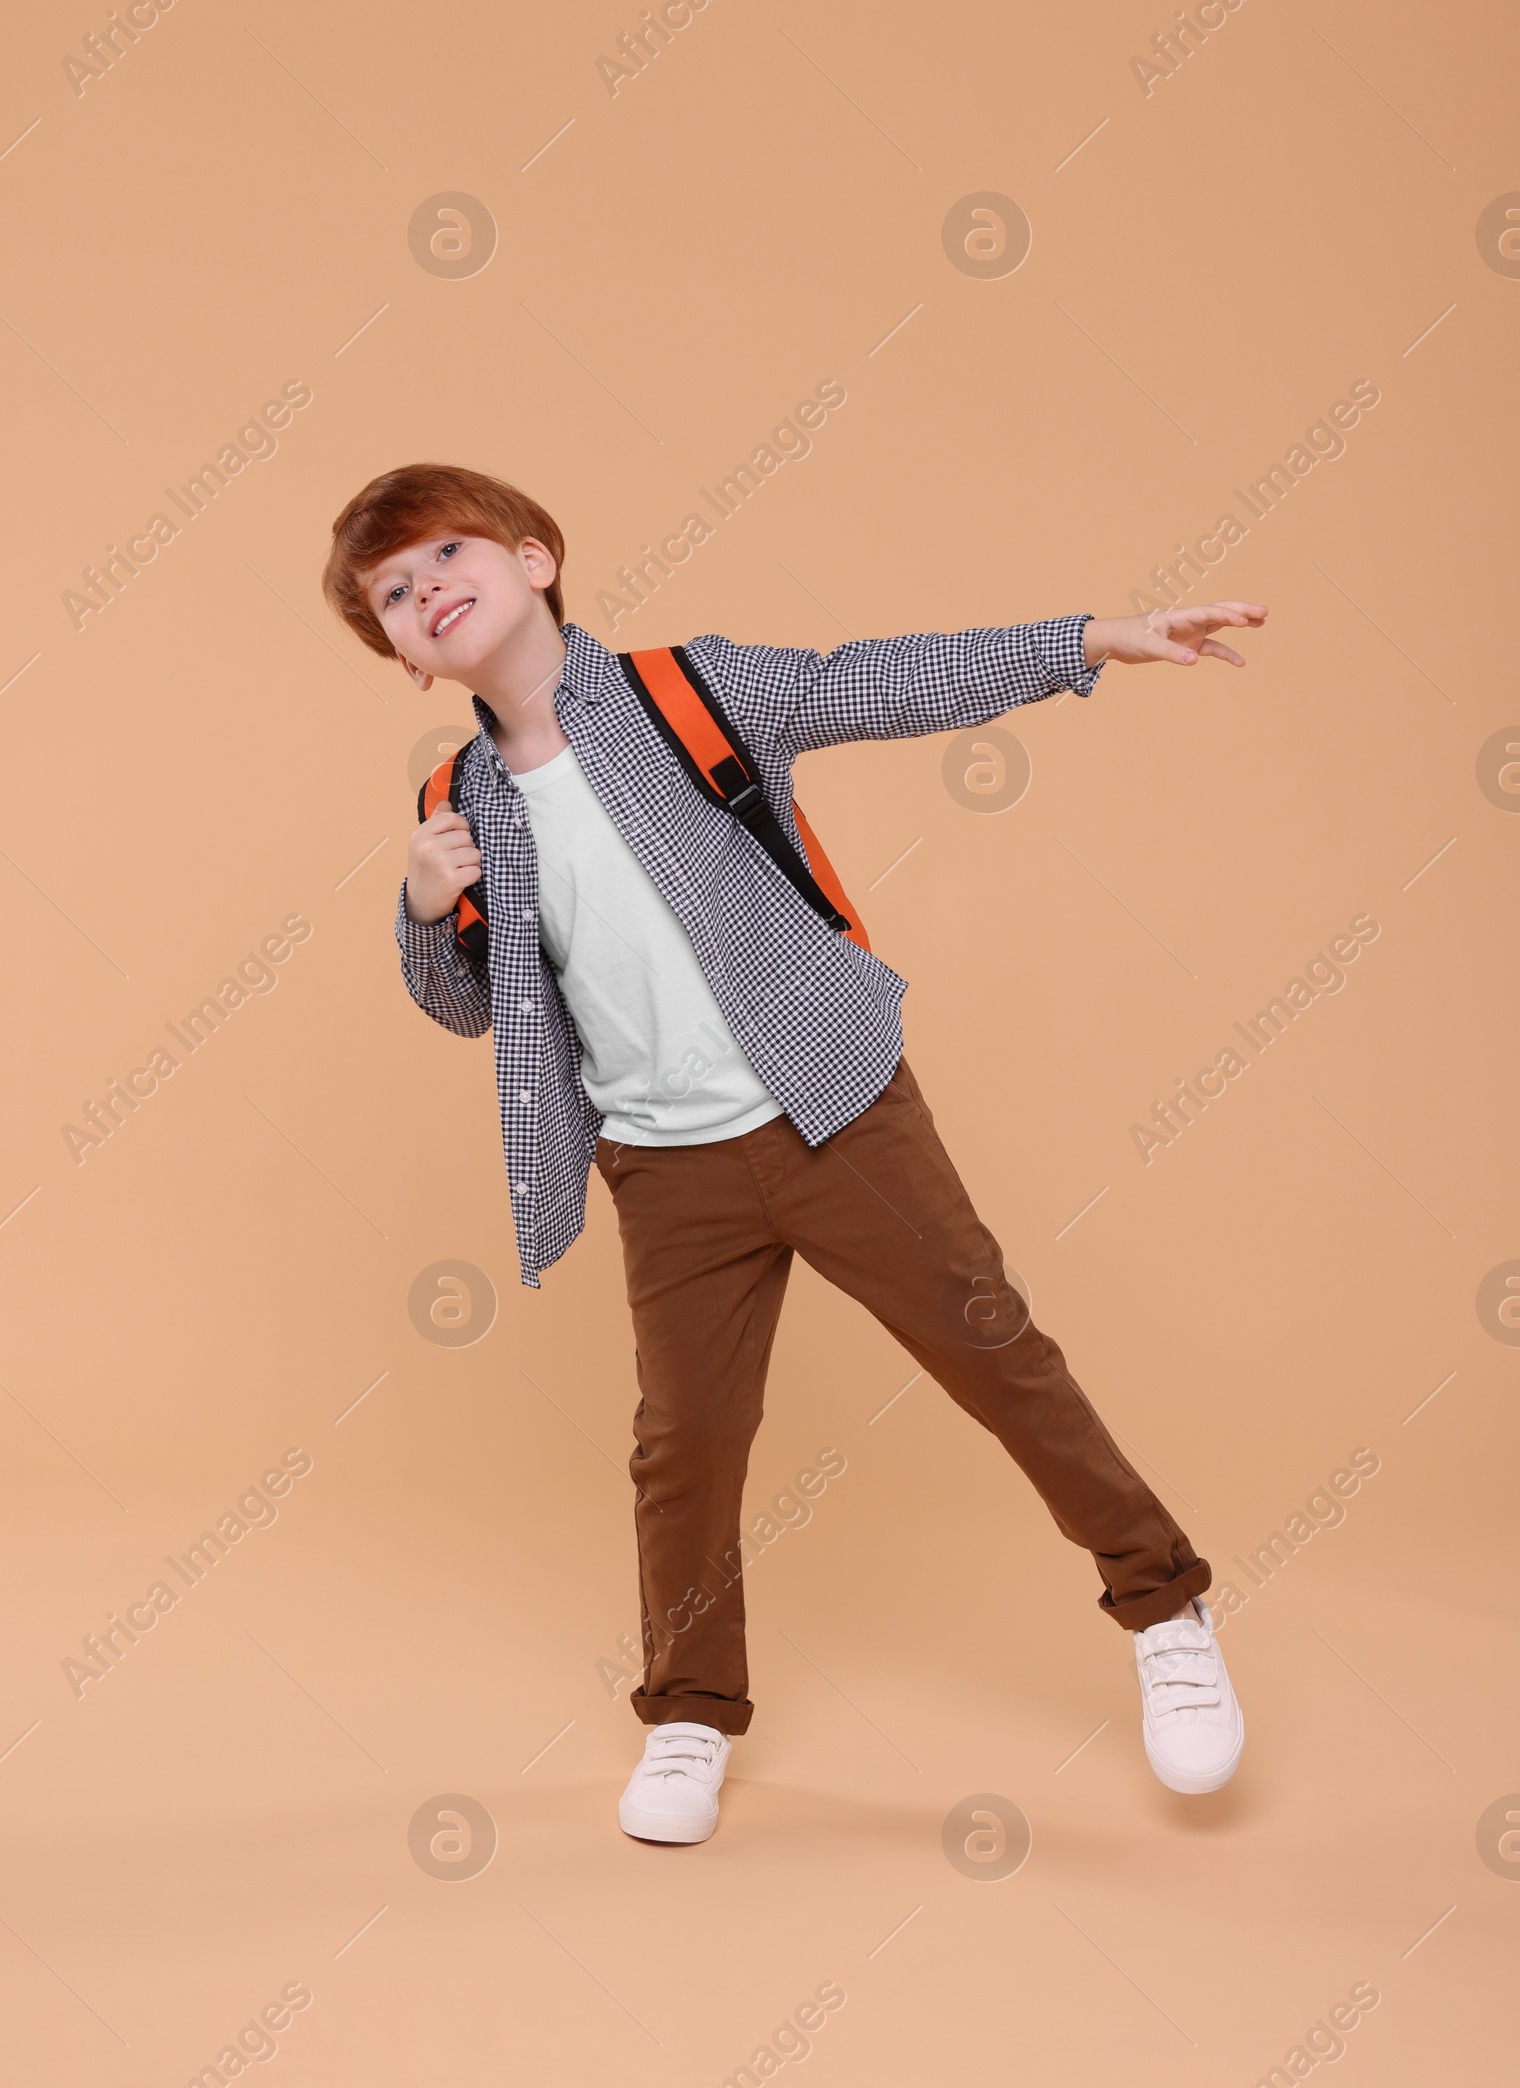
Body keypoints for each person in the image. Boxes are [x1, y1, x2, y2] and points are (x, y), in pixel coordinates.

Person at [322, 462, 1265, 1844]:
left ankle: (1165, 1610)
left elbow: (873, 682)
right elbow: (471, 1003)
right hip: (663, 1165)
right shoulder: (463, 801)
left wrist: (1089, 644)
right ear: (403, 658)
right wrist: (419, 904)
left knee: (995, 1353)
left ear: (535, 559)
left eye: (448, 553)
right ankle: (691, 1714)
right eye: (394, 595)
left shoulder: (681, 693)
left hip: (831, 1104)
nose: (427, 591)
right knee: (684, 1446)